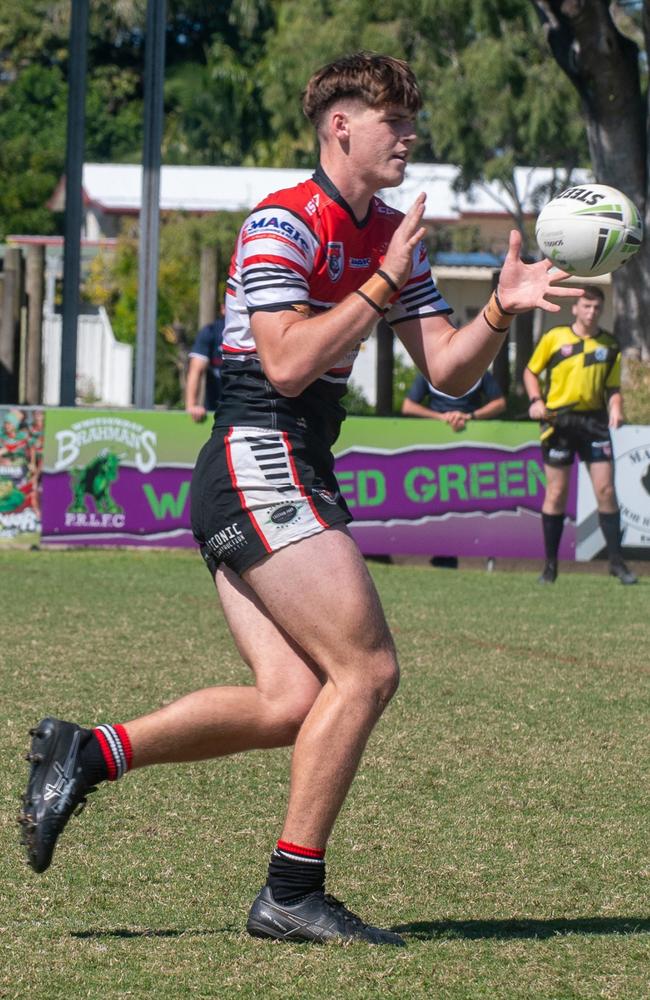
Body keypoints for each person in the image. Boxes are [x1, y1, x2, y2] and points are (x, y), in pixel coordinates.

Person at [20, 52, 581, 946]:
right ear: (341, 127)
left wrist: (500, 315)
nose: (409, 134)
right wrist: (383, 280)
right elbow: (283, 362)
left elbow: (443, 372)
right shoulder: (282, 222)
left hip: (288, 459)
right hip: (256, 449)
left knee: (291, 701)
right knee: (368, 670)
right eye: (393, 119)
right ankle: (290, 891)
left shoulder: (393, 231)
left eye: (410, 119)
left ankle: (87, 751)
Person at [523, 285, 637, 585]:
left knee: (606, 491)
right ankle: (550, 567)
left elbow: (613, 389)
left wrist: (616, 408)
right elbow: (530, 372)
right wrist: (536, 401)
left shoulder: (609, 345)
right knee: (556, 493)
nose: (591, 312)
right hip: (558, 421)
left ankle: (616, 563)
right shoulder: (555, 338)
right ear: (574, 308)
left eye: (597, 307)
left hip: (594, 423)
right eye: (586, 306)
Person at [401, 370, 506, 430]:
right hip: (435, 432)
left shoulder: (481, 373)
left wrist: (470, 416)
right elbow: (408, 406)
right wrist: (441, 417)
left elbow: (500, 404)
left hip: (472, 433)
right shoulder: (427, 373)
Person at [185, 312, 225, 422]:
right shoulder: (211, 331)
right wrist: (192, 406)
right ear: (223, 308)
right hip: (215, 411)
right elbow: (195, 370)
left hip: (252, 412)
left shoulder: (257, 330)